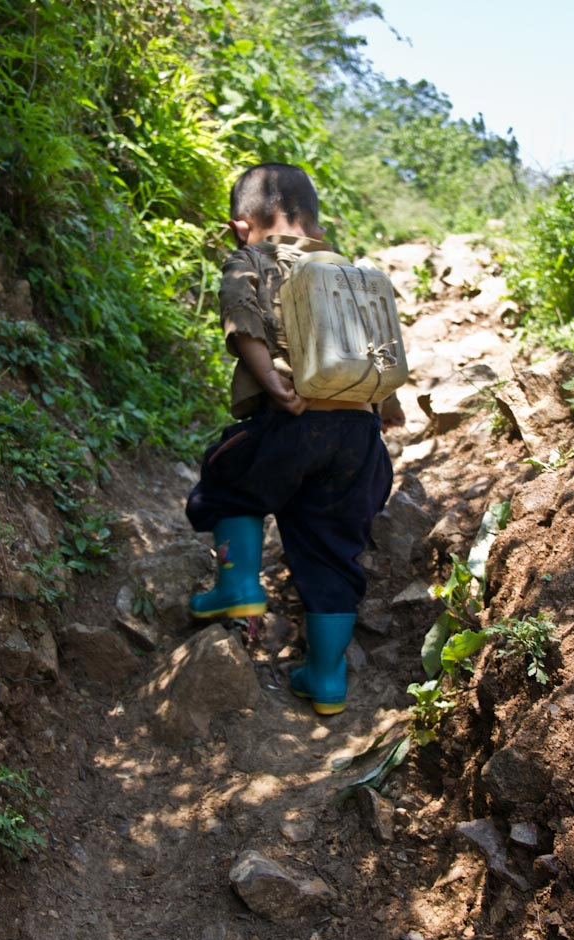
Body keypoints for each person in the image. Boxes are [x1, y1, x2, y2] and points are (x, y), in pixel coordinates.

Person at [186, 163, 393, 715]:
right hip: (359, 430)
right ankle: (326, 680)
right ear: (318, 223)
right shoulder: (347, 270)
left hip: (292, 417)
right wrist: (380, 408)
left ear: (239, 226)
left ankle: (237, 588)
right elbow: (379, 345)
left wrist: (272, 380)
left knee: (231, 480)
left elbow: (242, 321)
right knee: (331, 548)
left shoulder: (249, 258)